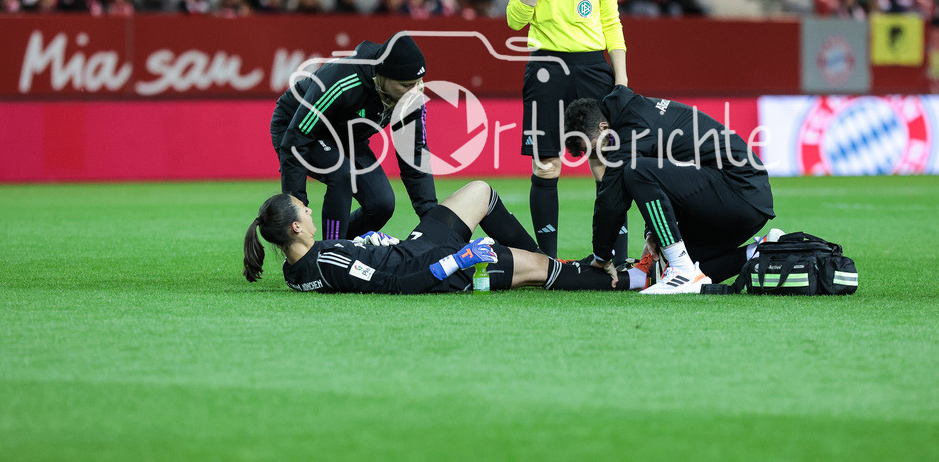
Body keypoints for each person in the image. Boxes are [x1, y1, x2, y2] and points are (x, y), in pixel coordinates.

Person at [506, 0, 629, 261]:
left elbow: (611, 22)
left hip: (592, 67)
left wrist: (621, 79)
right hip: (545, 67)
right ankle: (547, 262)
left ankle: (614, 259)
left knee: (603, 162)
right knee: (546, 164)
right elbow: (514, 20)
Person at [244, 181, 645, 293]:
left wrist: (370, 243)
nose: (311, 212)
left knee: (480, 192)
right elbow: (395, 283)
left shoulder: (297, 270)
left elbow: (352, 265)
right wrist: (461, 259)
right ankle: (638, 278)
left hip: (415, 248)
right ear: (295, 227)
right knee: (539, 270)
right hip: (435, 267)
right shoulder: (326, 261)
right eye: (305, 211)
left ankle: (563, 266)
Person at [564, 86, 776, 294]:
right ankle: (760, 252)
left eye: (592, 149)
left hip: (739, 190)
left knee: (635, 170)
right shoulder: (635, 114)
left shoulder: (631, 129)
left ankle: (681, 270)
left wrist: (601, 257)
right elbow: (667, 178)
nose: (596, 157)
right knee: (661, 268)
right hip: (744, 199)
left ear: (603, 126)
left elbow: (612, 200)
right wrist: (652, 232)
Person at [270, 32, 435, 242]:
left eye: (418, 82)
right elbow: (297, 139)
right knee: (342, 173)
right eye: (405, 85)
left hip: (345, 135)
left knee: (381, 203)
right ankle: (330, 251)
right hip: (296, 126)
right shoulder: (342, 80)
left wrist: (432, 220)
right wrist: (296, 209)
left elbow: (414, 155)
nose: (414, 92)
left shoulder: (411, 98)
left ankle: (341, 248)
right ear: (382, 76)